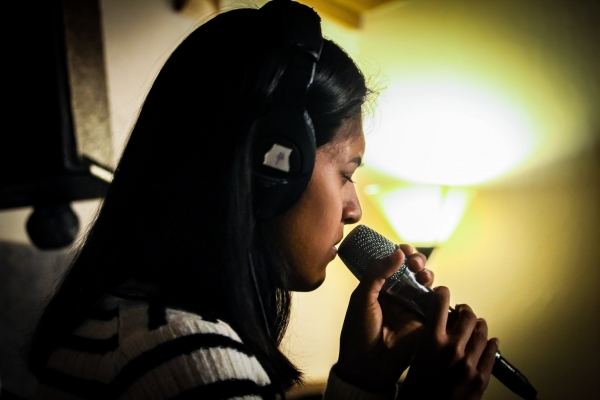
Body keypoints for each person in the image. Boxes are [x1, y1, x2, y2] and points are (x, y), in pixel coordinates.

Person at [27, 1, 499, 399]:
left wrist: (363, 378)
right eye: (346, 174)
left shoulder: (130, 322)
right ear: (276, 168)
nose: (354, 210)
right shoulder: (192, 359)